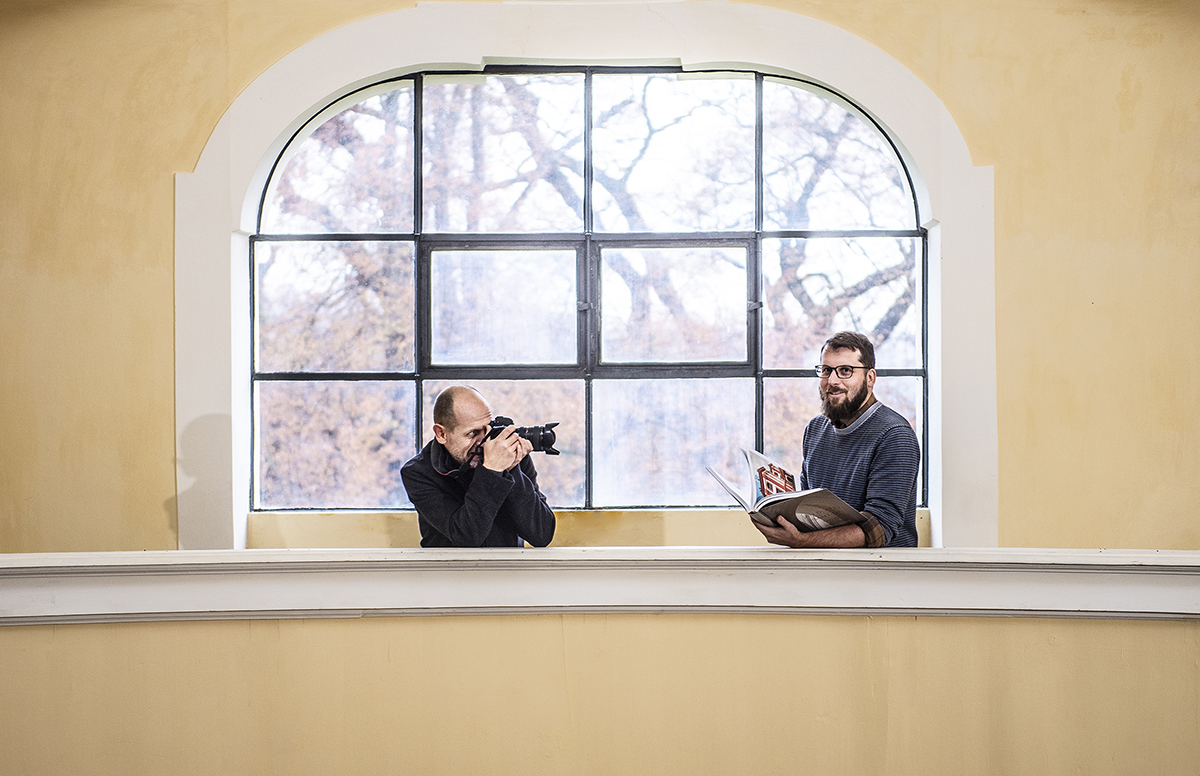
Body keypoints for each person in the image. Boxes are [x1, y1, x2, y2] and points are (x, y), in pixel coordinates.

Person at [754, 331, 920, 549]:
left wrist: (801, 541)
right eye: (826, 370)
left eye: (845, 371)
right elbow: (808, 510)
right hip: (824, 565)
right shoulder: (815, 430)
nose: (832, 381)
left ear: (870, 378)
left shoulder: (895, 435)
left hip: (881, 568)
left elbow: (880, 528)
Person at [401, 385, 556, 548]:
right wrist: (492, 471)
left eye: (487, 429)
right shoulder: (418, 473)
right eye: (472, 433)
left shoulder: (508, 454)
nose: (484, 443)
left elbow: (542, 535)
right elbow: (466, 537)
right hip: (448, 564)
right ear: (441, 434)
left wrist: (511, 471)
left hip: (508, 564)